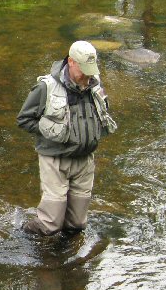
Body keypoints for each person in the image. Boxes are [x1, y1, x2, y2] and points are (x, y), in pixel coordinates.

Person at [16, 40, 117, 235]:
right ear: (71, 62)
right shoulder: (45, 88)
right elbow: (24, 119)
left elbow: (103, 112)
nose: (88, 76)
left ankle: (70, 262)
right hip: (55, 161)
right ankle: (21, 236)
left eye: (91, 69)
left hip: (85, 162)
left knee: (77, 224)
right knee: (50, 225)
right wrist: (49, 130)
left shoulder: (95, 85)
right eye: (84, 70)